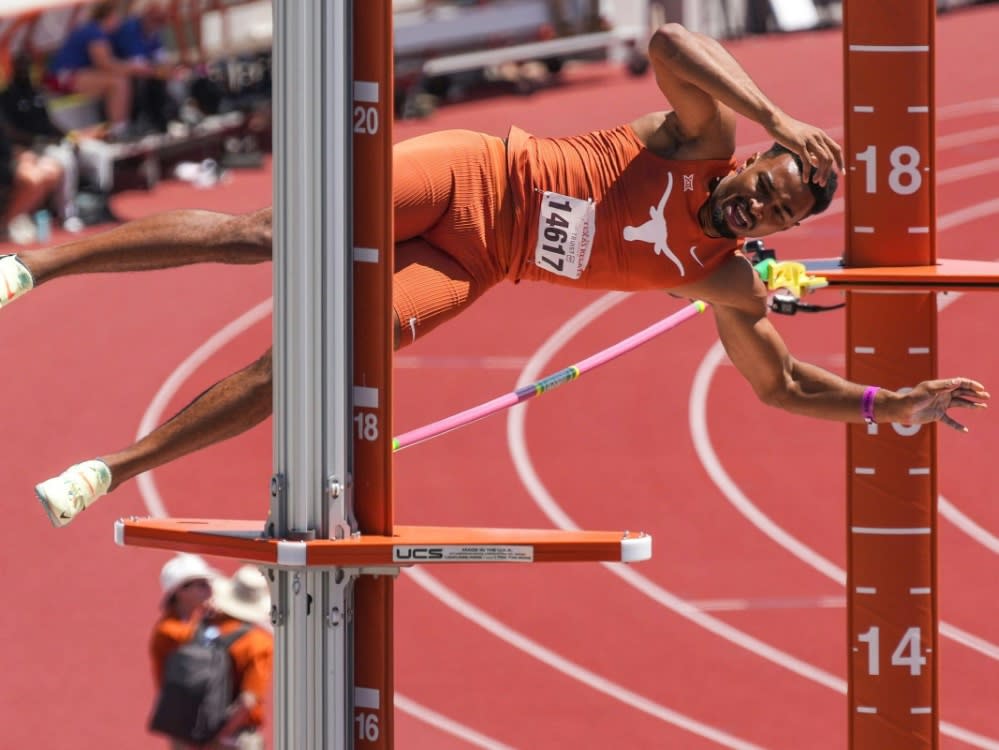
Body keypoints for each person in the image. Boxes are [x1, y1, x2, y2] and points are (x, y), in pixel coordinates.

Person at [0, 22, 986, 527]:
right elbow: (670, 43)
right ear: (757, 162)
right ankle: (34, 265)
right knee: (269, 233)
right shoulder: (702, 140)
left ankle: (113, 470)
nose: (764, 207)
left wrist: (884, 404)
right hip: (471, 173)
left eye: (784, 212)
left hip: (479, 261)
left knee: (321, 356)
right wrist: (777, 115)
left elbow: (778, 385)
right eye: (772, 185)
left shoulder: (723, 275)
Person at [151, 563, 273, 750]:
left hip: (187, 732)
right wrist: (217, 738)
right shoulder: (258, 642)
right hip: (233, 738)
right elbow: (248, 701)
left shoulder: (196, 628)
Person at [44, 1, 161, 141]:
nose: (119, 21)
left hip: (70, 76)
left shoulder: (98, 32)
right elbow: (106, 64)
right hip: (59, 79)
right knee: (117, 82)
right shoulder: (94, 31)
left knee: (120, 80)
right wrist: (134, 68)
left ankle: (123, 126)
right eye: (117, 16)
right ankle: (119, 131)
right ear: (109, 16)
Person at [149, 553, 218, 692]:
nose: (209, 589)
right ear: (181, 590)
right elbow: (198, 640)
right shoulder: (168, 630)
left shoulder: (196, 620)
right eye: (202, 585)